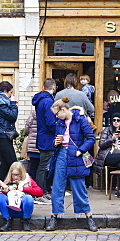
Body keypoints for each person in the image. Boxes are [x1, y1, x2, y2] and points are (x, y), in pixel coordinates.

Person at [44, 98, 97, 232]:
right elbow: (56, 141)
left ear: (63, 110)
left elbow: (91, 138)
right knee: (57, 186)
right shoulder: (59, 123)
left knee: (79, 187)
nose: (56, 117)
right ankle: (54, 216)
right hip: (62, 153)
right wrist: (56, 142)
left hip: (76, 156)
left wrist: (80, 150)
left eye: (57, 114)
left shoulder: (80, 120)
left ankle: (88, 216)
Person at [93, 112, 120, 196]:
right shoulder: (106, 130)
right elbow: (101, 144)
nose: (115, 122)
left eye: (118, 120)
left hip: (119, 156)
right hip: (107, 156)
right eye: (114, 120)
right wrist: (111, 139)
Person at [0, 161, 42, 231]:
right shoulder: (8, 181)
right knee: (0, 197)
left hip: (22, 209)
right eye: (13, 175)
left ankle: (25, 220)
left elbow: (40, 192)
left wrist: (24, 189)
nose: (15, 177)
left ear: (22, 174)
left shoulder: (28, 180)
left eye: (18, 175)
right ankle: (7, 220)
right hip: (10, 208)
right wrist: (6, 189)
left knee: (28, 198)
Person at [31, 78, 58, 195]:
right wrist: (60, 129)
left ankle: (42, 191)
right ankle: (41, 193)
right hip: (48, 138)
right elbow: (51, 122)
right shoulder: (48, 101)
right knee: (43, 167)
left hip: (42, 136)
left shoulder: (40, 100)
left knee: (42, 167)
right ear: (53, 87)